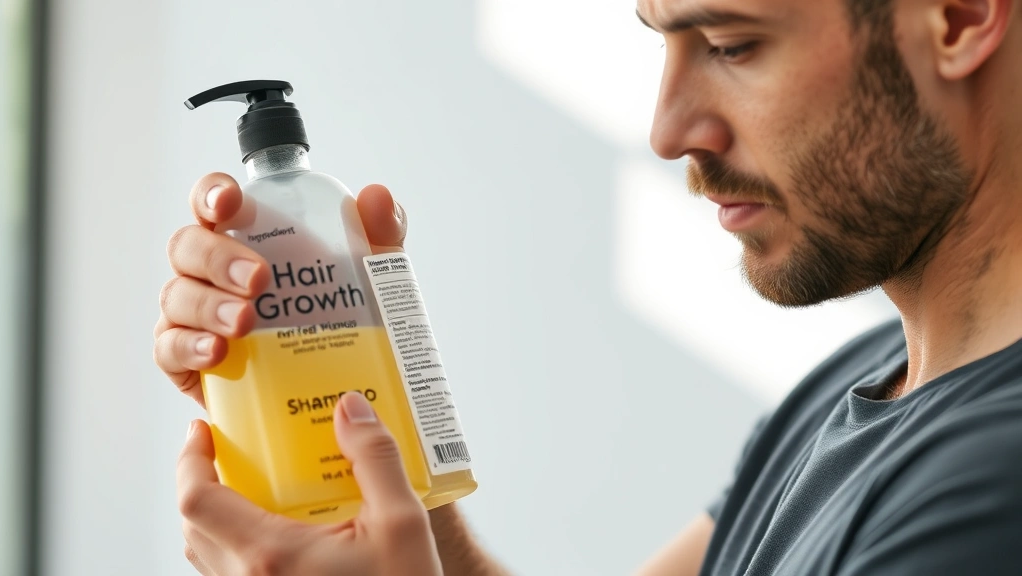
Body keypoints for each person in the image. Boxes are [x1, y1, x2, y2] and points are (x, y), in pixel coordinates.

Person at [153, 0, 1022, 573]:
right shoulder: (860, 383)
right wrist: (381, 491)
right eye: (666, 43)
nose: (667, 129)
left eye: (730, 45)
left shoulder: (991, 483)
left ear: (956, 17)